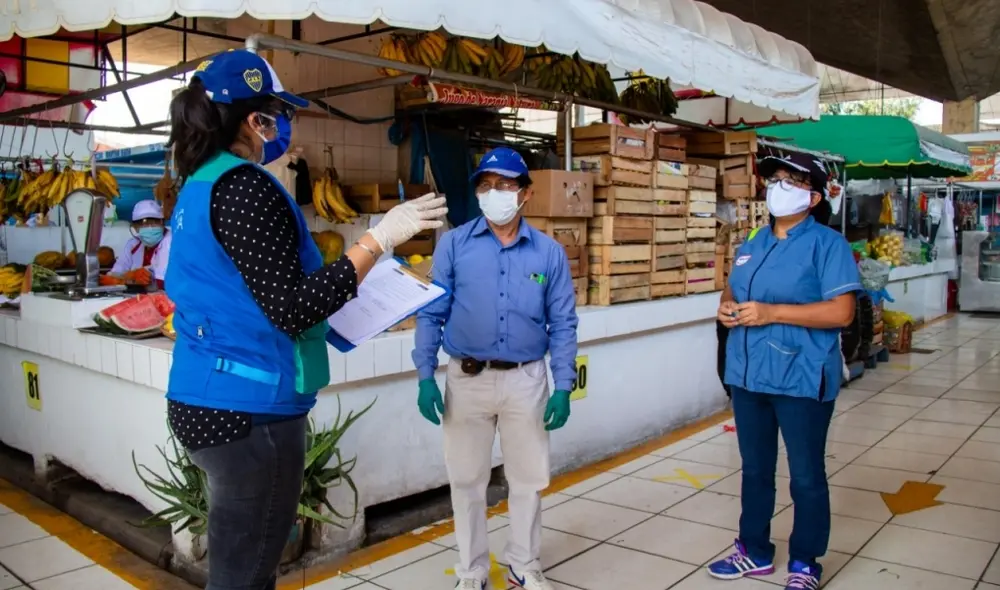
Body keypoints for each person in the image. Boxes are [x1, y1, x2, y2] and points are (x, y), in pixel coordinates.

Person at [163, 49, 446, 590]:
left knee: (241, 567)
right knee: (245, 577)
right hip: (249, 411)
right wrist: (377, 240)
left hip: (208, 395)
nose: (279, 127)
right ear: (253, 120)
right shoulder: (244, 186)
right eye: (273, 113)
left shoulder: (199, 183)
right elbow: (292, 306)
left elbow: (245, 293)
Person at [413, 147, 579, 590]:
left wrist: (564, 385)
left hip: (527, 379)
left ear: (524, 193)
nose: (494, 193)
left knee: (528, 479)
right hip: (466, 380)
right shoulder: (452, 245)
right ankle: (471, 573)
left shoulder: (549, 253)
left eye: (504, 185)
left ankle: (524, 564)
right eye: (485, 186)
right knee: (466, 481)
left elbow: (563, 322)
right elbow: (430, 314)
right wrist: (425, 375)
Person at [708, 153, 861, 590]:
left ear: (813, 197)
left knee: (806, 473)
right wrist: (727, 307)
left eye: (791, 181)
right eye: (775, 179)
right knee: (755, 468)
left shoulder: (827, 245)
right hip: (749, 375)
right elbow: (733, 287)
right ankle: (753, 549)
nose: (778, 186)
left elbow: (842, 312)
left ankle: (805, 561)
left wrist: (773, 311)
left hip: (801, 375)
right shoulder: (753, 241)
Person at [108, 199, 171, 289]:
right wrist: (130, 276)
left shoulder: (171, 241)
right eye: (143, 223)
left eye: (155, 222)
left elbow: (160, 281)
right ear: (135, 227)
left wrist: (123, 280)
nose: (150, 227)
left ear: (163, 223)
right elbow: (114, 273)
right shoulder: (133, 245)